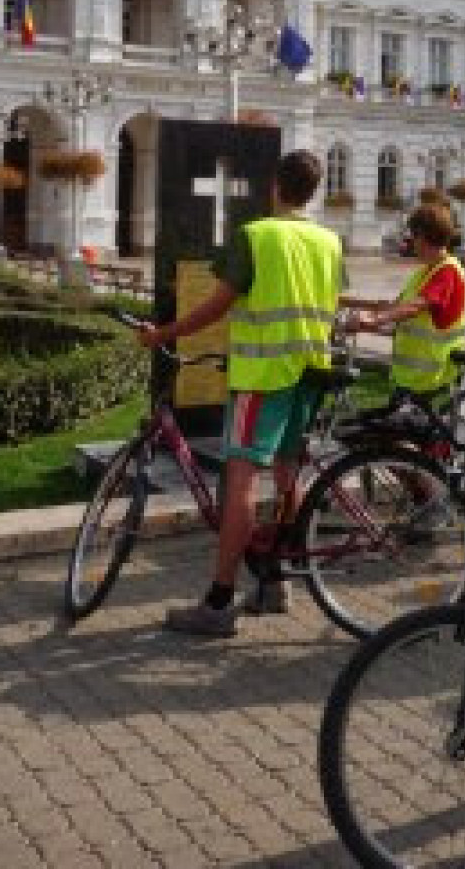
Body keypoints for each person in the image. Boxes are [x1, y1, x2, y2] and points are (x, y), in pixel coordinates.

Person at [138, 150, 344, 636]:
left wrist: (163, 334)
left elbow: (217, 306)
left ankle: (218, 601)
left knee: (241, 482)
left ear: (275, 186)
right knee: (288, 473)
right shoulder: (329, 240)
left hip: (264, 374)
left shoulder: (257, 235)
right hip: (311, 370)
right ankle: (276, 582)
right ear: (312, 191)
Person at [343, 203, 465, 396]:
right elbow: (397, 307)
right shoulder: (424, 272)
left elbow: (415, 307)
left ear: (424, 237)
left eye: (413, 236)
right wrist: (362, 318)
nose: (411, 243)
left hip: (431, 378)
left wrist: (374, 319)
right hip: (411, 376)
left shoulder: (447, 272)